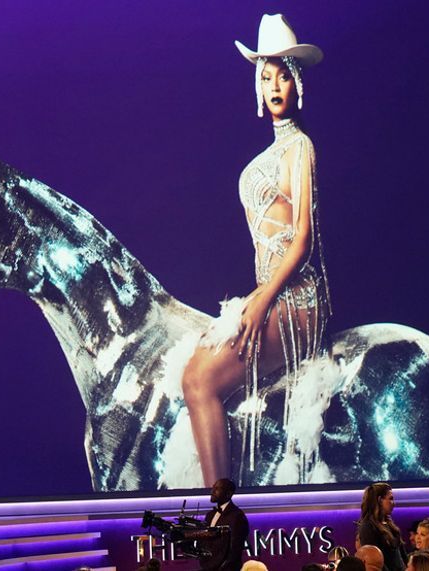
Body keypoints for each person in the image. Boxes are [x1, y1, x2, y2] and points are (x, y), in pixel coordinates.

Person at [180, 12, 330, 485]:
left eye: (285, 75)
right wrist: (257, 297)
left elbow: (302, 240)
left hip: (299, 299)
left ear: (298, 83)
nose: (275, 86)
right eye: (266, 77)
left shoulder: (299, 148)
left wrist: (261, 300)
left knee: (198, 379)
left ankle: (220, 516)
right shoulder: (268, 154)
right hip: (272, 293)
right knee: (194, 365)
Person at [200, 478, 250, 571]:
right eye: (213, 488)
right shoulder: (210, 515)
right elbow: (205, 543)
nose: (212, 491)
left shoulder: (237, 516)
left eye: (217, 489)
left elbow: (235, 549)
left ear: (228, 494)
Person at [358, 483, 407, 571]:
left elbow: (402, 557)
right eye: (391, 499)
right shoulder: (368, 527)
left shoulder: (391, 526)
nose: (394, 503)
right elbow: (375, 562)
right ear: (380, 500)